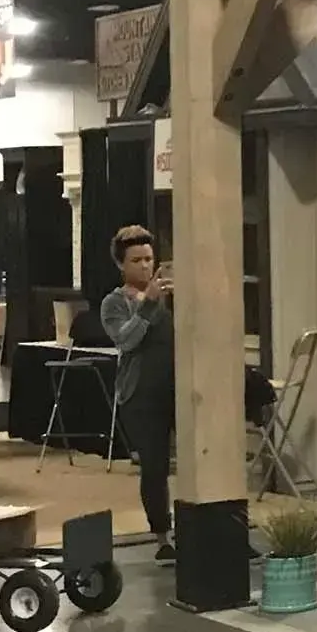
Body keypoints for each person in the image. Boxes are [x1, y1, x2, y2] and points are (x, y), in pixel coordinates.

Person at [101, 225, 176, 563]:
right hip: (140, 395)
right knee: (155, 467)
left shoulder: (168, 294)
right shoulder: (113, 303)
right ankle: (162, 537)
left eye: (149, 259)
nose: (145, 266)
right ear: (122, 265)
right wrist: (148, 305)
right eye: (137, 260)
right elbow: (127, 340)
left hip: (177, 385)